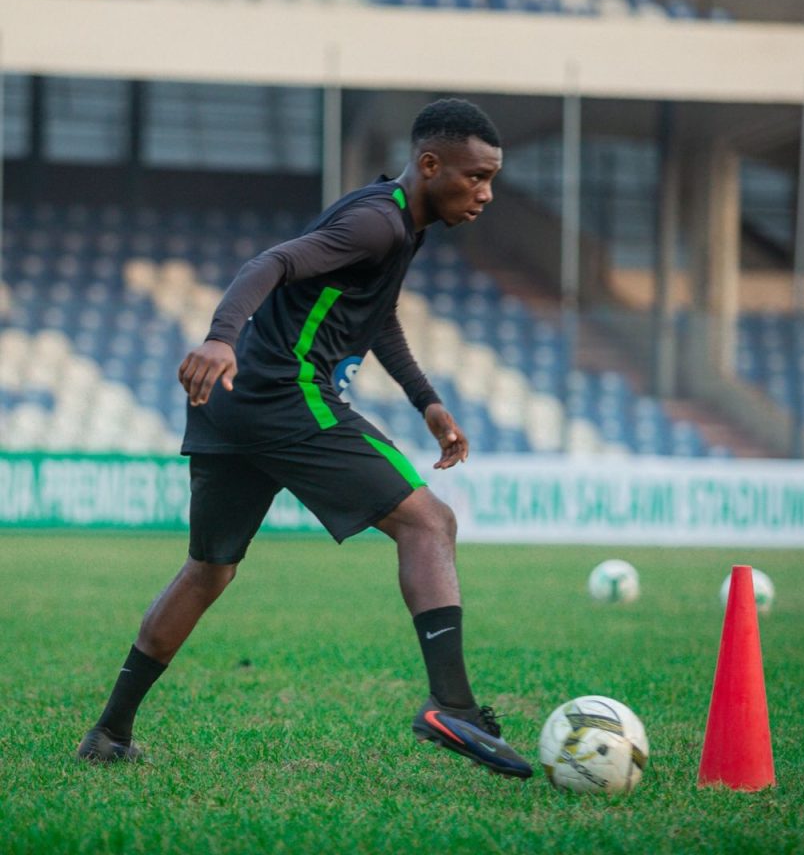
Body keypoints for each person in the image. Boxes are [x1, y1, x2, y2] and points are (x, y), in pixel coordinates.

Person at [77, 98, 533, 779]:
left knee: (208, 569)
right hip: (286, 396)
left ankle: (110, 731)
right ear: (430, 164)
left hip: (235, 408)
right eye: (476, 177)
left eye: (490, 179)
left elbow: (375, 316)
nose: (486, 193)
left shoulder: (398, 224)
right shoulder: (377, 223)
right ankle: (452, 705)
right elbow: (272, 262)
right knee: (429, 522)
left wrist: (427, 401)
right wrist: (221, 337)